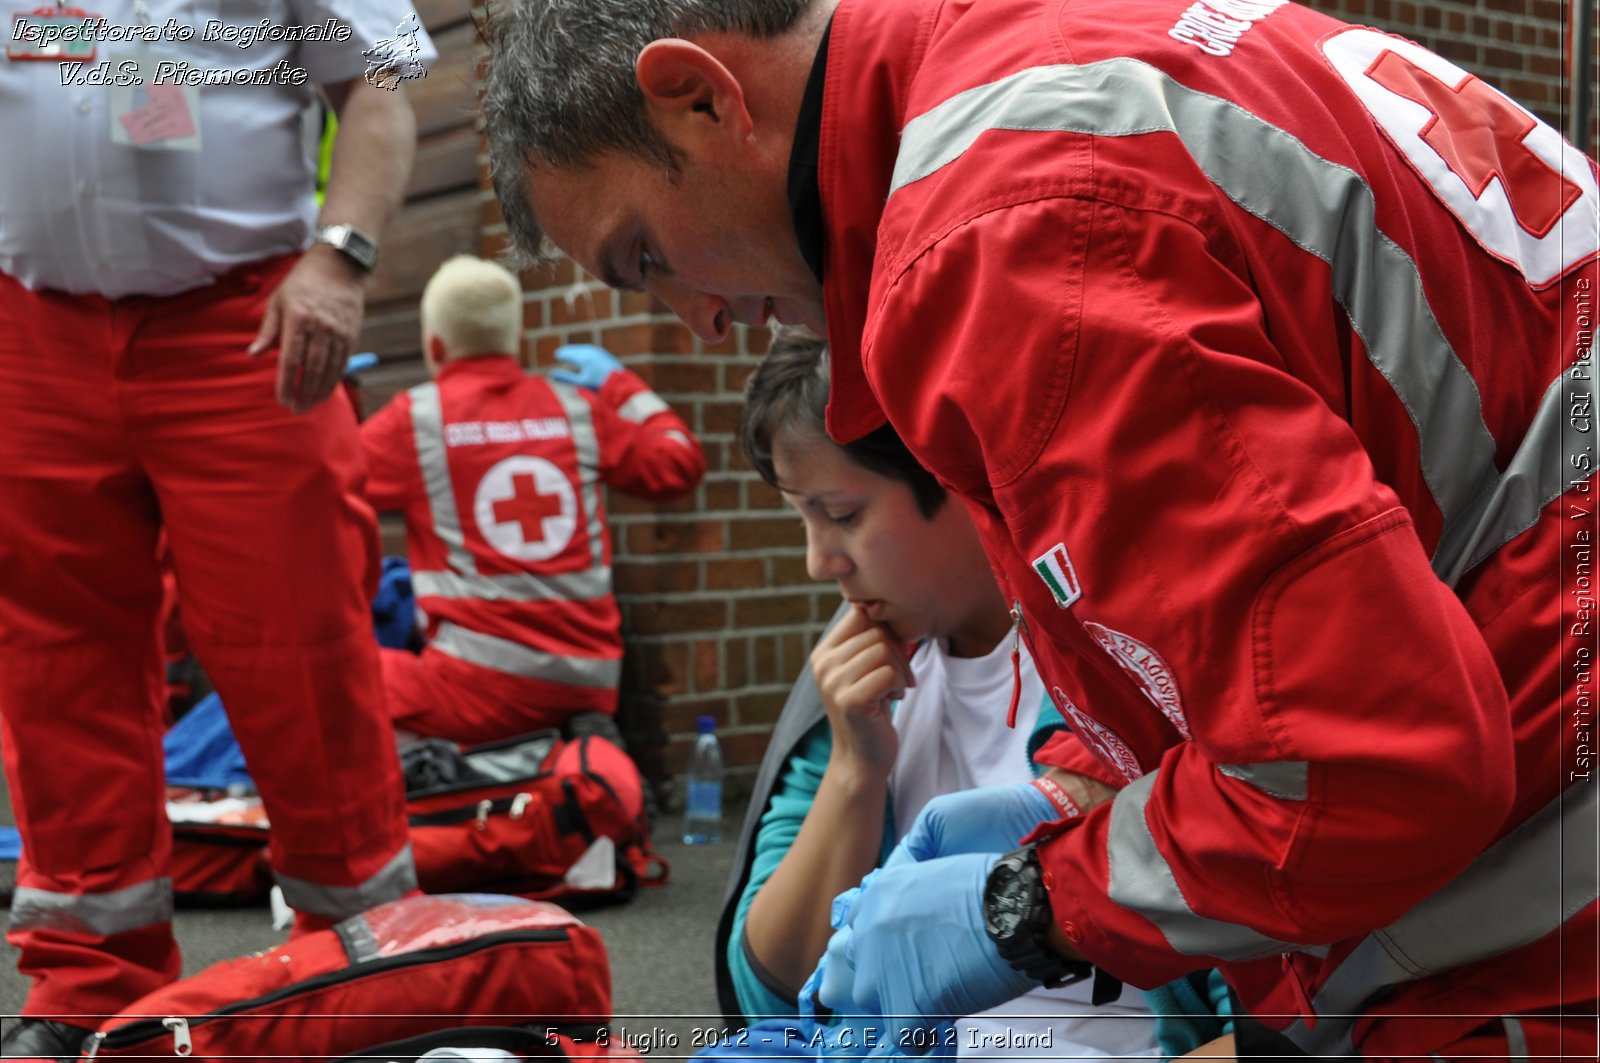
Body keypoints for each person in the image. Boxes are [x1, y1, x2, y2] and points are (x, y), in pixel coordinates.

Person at [480, 0, 1598, 1057]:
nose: (700, 318)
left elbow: (1365, 768)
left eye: (645, 257)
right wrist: (1072, 786)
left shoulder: (997, 228)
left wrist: (1028, 905)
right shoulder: (1028, 62)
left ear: (700, 98)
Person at [0, 1, 435, 1052]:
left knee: (301, 649)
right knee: (57, 667)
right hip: (32, 325)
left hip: (243, 321)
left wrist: (341, 255)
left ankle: (358, 959)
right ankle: (86, 986)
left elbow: (378, 81)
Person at [715, 327, 1157, 1058]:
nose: (818, 561)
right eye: (803, 517)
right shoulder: (860, 670)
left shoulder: (1119, 650)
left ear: (955, 473)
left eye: (843, 515)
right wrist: (856, 770)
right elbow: (774, 986)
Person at [360, 255, 705, 745]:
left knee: (330, 670)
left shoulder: (416, 420)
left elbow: (320, 489)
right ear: (517, 341)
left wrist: (332, 406)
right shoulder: (577, 409)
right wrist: (619, 385)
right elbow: (679, 463)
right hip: (592, 680)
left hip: (476, 684)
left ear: (434, 346)